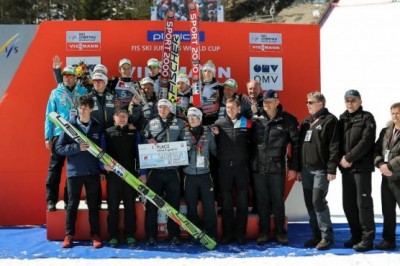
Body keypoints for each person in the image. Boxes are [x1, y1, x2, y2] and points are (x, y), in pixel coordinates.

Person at [251, 90, 300, 245]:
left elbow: (296, 145)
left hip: (277, 168)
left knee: (278, 201)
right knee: (262, 201)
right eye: (265, 101)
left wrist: (293, 167)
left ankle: (281, 232)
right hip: (258, 168)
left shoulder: (288, 120)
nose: (267, 104)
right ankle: (263, 232)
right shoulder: (255, 119)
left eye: (270, 101)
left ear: (277, 102)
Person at [55, 95, 103, 249]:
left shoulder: (97, 126)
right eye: (80, 107)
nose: (82, 110)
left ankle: (95, 235)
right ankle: (69, 235)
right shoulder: (69, 126)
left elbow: (103, 150)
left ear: (91, 109)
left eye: (85, 107)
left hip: (92, 171)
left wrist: (102, 169)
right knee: (72, 204)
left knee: (94, 205)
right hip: (74, 172)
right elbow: (59, 148)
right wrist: (76, 148)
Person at [142, 99, 186, 246]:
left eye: (165, 107)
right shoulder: (151, 123)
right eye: (160, 107)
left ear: (170, 108)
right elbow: (143, 138)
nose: (162, 109)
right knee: (152, 205)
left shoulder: (180, 123)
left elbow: (185, 140)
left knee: (173, 205)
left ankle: (174, 235)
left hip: (173, 171)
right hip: (155, 171)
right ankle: (151, 236)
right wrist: (148, 140)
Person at [298, 91, 339, 250]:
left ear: (320, 104)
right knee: (310, 202)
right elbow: (299, 146)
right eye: (307, 102)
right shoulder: (306, 121)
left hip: (321, 170)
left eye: (310, 102)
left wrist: (331, 168)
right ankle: (315, 235)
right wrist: (299, 168)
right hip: (306, 170)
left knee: (318, 201)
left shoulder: (330, 120)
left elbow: (334, 146)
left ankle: (326, 237)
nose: (307, 105)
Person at [44, 65, 88, 211]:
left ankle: (68, 200)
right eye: (66, 75)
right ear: (62, 77)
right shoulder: (55, 92)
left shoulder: (83, 91)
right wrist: (47, 137)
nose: (68, 78)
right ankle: (51, 200)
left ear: (76, 77)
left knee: (73, 170)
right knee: (55, 168)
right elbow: (49, 115)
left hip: (77, 135)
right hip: (59, 134)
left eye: (71, 75)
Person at [338, 89, 376, 252]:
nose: (350, 103)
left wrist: (349, 158)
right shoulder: (342, 118)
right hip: (346, 169)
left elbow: (366, 141)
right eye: (347, 100)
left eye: (353, 100)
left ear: (360, 101)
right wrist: (341, 160)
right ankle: (356, 235)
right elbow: (337, 142)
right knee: (348, 204)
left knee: (363, 204)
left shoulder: (367, 117)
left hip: (361, 168)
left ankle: (367, 239)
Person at [103, 108, 147, 248]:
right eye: (119, 116)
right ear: (114, 117)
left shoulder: (134, 132)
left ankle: (130, 235)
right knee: (113, 207)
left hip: (130, 176)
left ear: (128, 118)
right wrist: (103, 166)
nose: (122, 118)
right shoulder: (107, 132)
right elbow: (101, 152)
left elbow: (141, 153)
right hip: (113, 177)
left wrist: (143, 172)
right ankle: (113, 236)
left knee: (130, 207)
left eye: (124, 116)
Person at [211, 98, 252, 245]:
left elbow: (253, 143)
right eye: (228, 107)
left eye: (233, 107)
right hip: (225, 167)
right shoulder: (219, 124)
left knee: (242, 202)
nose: (230, 110)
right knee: (227, 202)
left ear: (239, 108)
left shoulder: (247, 123)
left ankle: (240, 234)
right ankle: (228, 234)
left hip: (241, 167)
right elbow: (212, 143)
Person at [180, 107, 218, 241]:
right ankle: (194, 232)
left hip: (205, 174)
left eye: (194, 117)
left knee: (209, 205)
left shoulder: (208, 133)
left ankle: (211, 233)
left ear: (200, 119)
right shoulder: (183, 132)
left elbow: (214, 151)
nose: (191, 119)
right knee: (191, 206)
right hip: (189, 175)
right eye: (189, 117)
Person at [373, 102, 400, 250]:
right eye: (393, 113)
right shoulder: (386, 131)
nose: (395, 116)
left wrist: (388, 166)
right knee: (388, 211)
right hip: (386, 178)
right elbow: (376, 149)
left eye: (398, 113)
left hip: (398, 176)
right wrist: (380, 164)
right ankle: (388, 240)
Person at [200, 60, 223, 126]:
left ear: (213, 73)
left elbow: (230, 95)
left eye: (209, 71)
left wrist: (241, 96)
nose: (207, 73)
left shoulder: (219, 87)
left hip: (215, 120)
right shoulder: (197, 87)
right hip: (200, 120)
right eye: (205, 71)